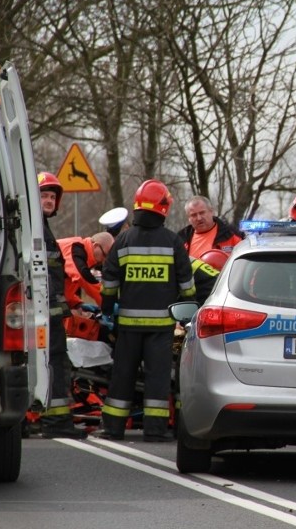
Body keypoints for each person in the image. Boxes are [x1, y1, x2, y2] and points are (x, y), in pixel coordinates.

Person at [98, 179, 197, 442]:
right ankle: (154, 430)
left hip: (128, 326)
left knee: (122, 376)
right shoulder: (173, 242)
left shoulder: (123, 241)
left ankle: (113, 429)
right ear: (163, 207)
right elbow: (187, 285)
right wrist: (187, 312)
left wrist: (107, 312)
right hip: (161, 328)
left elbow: (109, 283)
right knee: (157, 378)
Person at [37, 172, 88, 439]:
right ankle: (57, 423)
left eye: (52, 197)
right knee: (56, 363)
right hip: (46, 315)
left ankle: (41, 419)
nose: (48, 200)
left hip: (49, 313)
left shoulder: (41, 228)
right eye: (44, 195)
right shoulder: (38, 230)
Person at [58, 231, 114, 310]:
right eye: (105, 255)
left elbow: (65, 288)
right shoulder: (75, 247)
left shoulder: (82, 258)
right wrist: (107, 304)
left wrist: (77, 303)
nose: (104, 261)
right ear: (96, 246)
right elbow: (83, 277)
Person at [177, 195, 243, 259]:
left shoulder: (232, 235)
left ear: (211, 211)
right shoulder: (180, 239)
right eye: (194, 215)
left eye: (202, 213)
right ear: (188, 218)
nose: (199, 218)